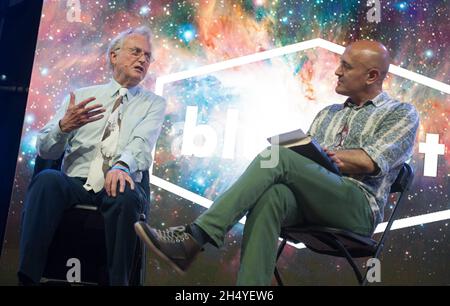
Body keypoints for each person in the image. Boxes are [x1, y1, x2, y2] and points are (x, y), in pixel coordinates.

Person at [135, 40, 419, 285]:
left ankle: (195, 238)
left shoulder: (401, 113)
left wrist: (330, 158)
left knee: (278, 156)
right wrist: (313, 157)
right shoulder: (327, 113)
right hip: (314, 201)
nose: (337, 71)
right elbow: (308, 161)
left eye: (346, 66)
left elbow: (371, 161)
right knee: (273, 195)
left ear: (371, 76)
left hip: (357, 207)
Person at [18, 26, 166, 285]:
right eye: (135, 52)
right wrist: (64, 127)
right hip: (76, 183)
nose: (143, 59)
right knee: (46, 180)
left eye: (147, 56)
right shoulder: (82, 96)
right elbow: (45, 150)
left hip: (121, 181)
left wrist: (121, 166)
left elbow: (142, 143)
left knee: (125, 194)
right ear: (114, 56)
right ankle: (27, 277)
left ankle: (118, 282)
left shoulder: (153, 103)